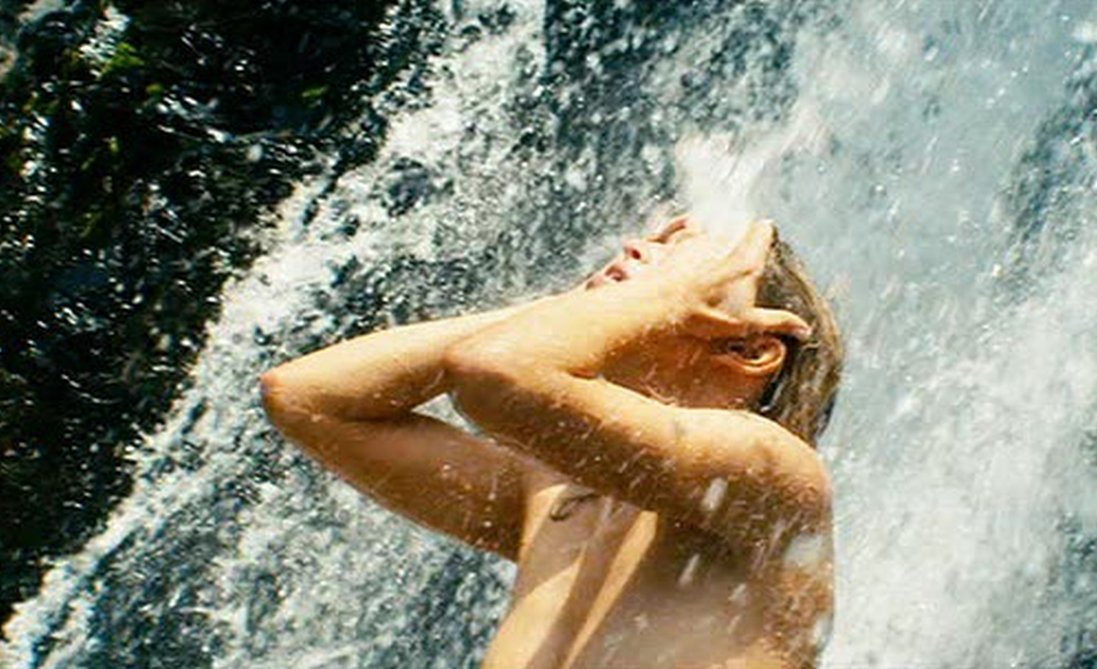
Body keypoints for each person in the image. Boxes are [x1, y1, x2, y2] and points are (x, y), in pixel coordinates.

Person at [259, 217, 844, 668]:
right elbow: (309, 398)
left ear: (750, 349)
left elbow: (495, 373)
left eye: (681, 265)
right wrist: (590, 304)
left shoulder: (772, 477)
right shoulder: (563, 503)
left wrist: (645, 299)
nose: (634, 249)